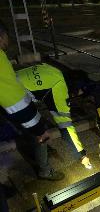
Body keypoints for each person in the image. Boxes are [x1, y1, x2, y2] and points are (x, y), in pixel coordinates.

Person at [0, 19, 64, 181]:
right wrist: (39, 127)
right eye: (7, 36)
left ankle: (35, 144)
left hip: (5, 108)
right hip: (12, 106)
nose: (8, 40)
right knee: (41, 132)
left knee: (25, 128)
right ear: (1, 37)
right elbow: (14, 101)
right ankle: (45, 170)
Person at [16, 64, 92, 169]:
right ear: (75, 87)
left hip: (9, 82)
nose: (76, 96)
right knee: (40, 132)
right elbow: (66, 128)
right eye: (78, 93)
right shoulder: (59, 89)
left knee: (34, 124)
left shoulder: (55, 71)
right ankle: (45, 171)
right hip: (13, 98)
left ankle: (33, 142)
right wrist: (81, 155)